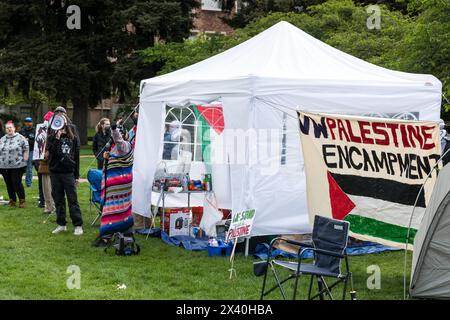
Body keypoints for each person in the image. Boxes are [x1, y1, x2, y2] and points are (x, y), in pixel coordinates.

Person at [47, 113, 83, 235]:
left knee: (72, 199)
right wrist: (57, 138)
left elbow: (76, 156)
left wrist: (76, 176)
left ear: (65, 121)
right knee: (58, 199)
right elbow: (50, 152)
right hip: (55, 172)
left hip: (68, 173)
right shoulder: (52, 136)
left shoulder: (72, 136)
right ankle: (61, 224)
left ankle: (78, 225)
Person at [0, 121, 29, 208]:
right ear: (5, 129)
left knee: (16, 182)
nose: (9, 129)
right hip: (4, 165)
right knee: (8, 183)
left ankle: (22, 200)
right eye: (7, 128)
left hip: (18, 165)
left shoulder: (20, 138)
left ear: (14, 128)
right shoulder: (2, 139)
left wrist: (25, 160)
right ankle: (12, 200)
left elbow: (26, 148)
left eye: (10, 127)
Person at [19, 117, 37, 189]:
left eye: (29, 122)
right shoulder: (22, 131)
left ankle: (28, 184)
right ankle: (18, 183)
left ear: (32, 123)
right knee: (20, 168)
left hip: (31, 151)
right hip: (22, 151)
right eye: (26, 122)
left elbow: (36, 142)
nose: (28, 123)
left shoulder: (35, 131)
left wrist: (27, 140)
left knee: (29, 168)